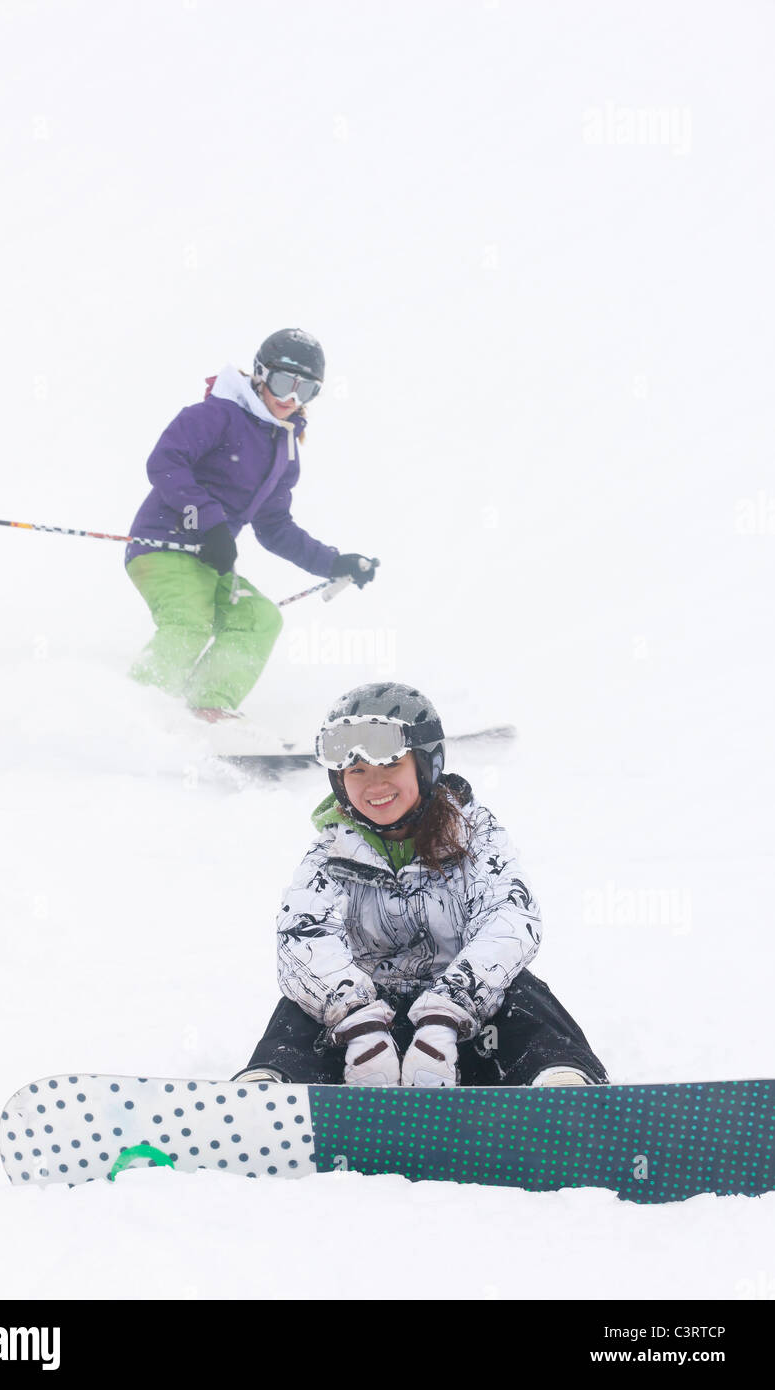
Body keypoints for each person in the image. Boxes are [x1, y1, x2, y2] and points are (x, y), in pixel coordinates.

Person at [234, 682, 609, 1088]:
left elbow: (510, 918)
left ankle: (561, 1084)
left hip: (465, 1034)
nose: (374, 785)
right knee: (300, 1007)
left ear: (426, 764)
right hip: (364, 1048)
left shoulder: (473, 833)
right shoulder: (331, 851)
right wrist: (357, 1021)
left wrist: (446, 1012)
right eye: (357, 771)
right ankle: (270, 1093)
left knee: (521, 991)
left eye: (390, 766)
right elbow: (302, 934)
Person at [125, 328, 376, 721]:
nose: (290, 399)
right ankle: (136, 710)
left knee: (259, 619)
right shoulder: (217, 415)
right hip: (164, 548)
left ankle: (207, 706)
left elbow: (275, 526)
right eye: (282, 383)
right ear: (260, 375)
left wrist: (333, 563)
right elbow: (165, 461)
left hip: (211, 560)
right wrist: (207, 522)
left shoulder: (283, 450)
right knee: (190, 622)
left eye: (305, 391)